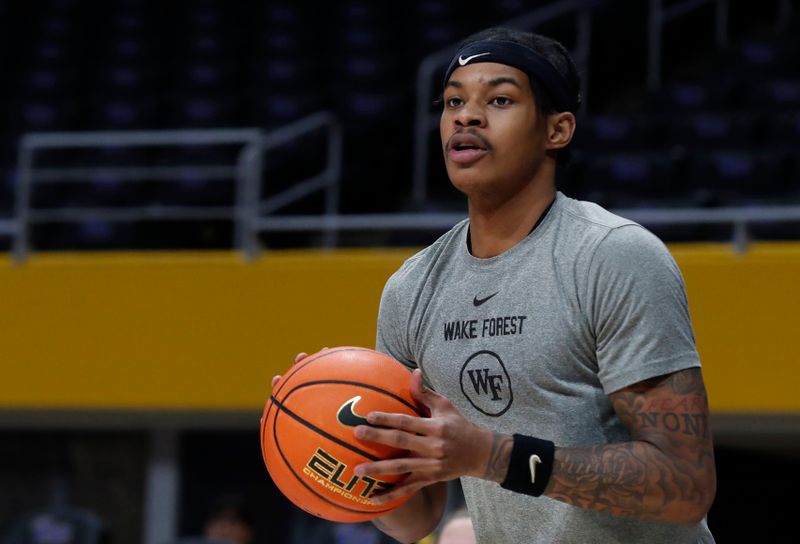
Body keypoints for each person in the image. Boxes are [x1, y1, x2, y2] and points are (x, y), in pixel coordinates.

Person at [280, 26, 716, 543]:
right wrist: (327, 433)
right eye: (452, 101)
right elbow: (414, 518)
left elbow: (685, 485)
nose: (465, 115)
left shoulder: (613, 256)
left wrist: (491, 456)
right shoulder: (412, 288)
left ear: (557, 130)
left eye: (500, 99)